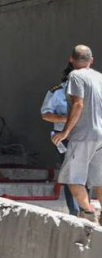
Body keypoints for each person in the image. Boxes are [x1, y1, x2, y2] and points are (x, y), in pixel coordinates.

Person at [52, 45, 102, 223]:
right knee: (99, 179)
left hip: (83, 135)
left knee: (73, 178)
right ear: (91, 60)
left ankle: (88, 213)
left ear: (71, 59)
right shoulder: (99, 77)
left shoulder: (76, 76)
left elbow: (78, 104)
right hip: (101, 135)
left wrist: (65, 131)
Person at [40, 64, 80, 216]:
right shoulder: (57, 92)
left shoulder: (90, 91)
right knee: (71, 174)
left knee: (87, 175)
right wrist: (66, 119)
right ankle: (74, 210)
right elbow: (45, 114)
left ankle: (85, 208)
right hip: (65, 137)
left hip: (85, 137)